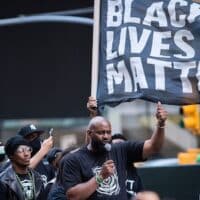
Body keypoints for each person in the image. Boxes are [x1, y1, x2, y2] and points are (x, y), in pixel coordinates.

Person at [60, 101, 167, 200]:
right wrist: (100, 177)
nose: (106, 136)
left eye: (108, 132)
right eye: (101, 133)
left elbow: (154, 146)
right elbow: (73, 196)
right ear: (89, 133)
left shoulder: (120, 149)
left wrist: (161, 124)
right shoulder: (73, 159)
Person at [0, 135, 45, 200]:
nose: (26, 154)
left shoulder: (37, 177)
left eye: (28, 149)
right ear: (11, 155)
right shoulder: (3, 180)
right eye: (21, 151)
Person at [112, 134, 144, 199]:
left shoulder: (133, 170)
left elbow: (141, 194)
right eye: (115, 146)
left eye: (122, 146)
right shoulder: (101, 169)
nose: (119, 150)